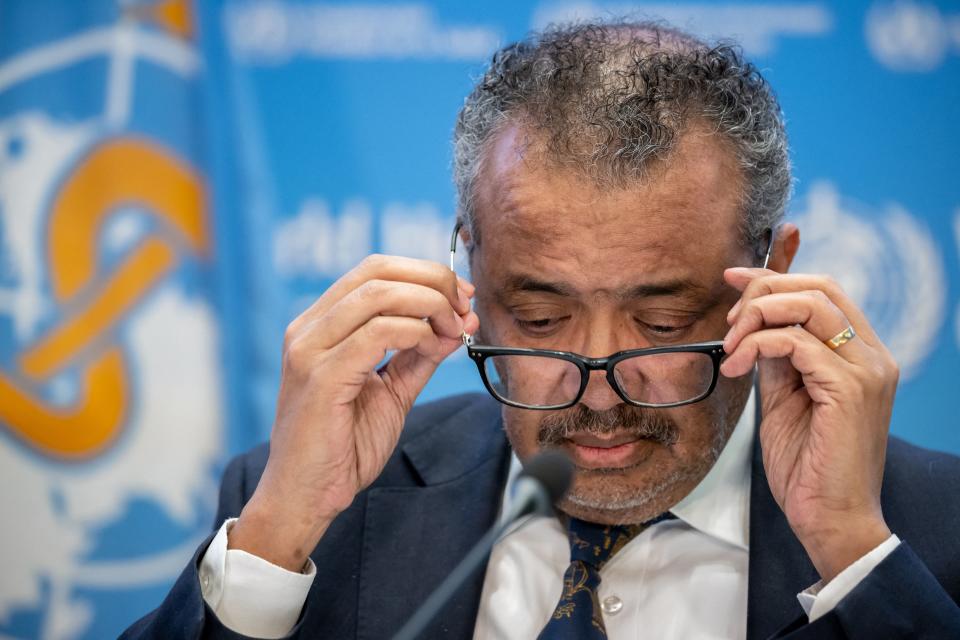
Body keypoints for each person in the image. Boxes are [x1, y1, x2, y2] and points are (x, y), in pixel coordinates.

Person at [123, 19, 960, 639]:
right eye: (541, 316)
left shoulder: (930, 530)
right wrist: (275, 541)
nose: (597, 378)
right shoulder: (309, 504)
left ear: (772, 277)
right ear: (470, 268)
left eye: (663, 319)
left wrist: (851, 552)